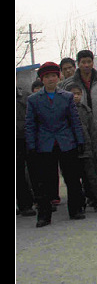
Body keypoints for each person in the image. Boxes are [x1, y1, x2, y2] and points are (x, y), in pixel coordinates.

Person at [25, 62, 86, 227]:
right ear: (41, 79)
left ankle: (76, 209)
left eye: (53, 75)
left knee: (72, 177)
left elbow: (75, 120)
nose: (51, 79)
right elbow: (30, 124)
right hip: (44, 144)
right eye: (47, 76)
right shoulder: (33, 100)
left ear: (58, 77)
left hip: (66, 141)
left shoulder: (67, 96)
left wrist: (79, 140)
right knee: (45, 181)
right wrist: (31, 145)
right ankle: (44, 215)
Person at [67, 83, 97, 211]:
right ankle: (80, 203)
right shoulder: (64, 110)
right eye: (73, 94)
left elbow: (92, 130)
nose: (76, 97)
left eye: (78, 94)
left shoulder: (85, 110)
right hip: (71, 149)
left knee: (91, 177)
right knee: (74, 179)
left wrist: (96, 147)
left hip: (87, 148)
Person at [16, 86, 36, 217]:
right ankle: (24, 205)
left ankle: (42, 201)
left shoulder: (26, 96)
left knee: (35, 171)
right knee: (18, 174)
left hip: (28, 138)